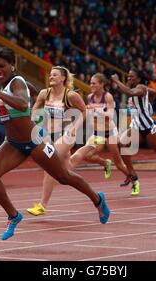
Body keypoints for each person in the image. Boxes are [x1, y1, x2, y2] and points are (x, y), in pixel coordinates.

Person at [0, 48, 109, 240]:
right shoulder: (14, 85)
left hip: (34, 141)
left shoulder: (16, 82)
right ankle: (14, 216)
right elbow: (31, 92)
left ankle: (98, 200)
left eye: (2, 66)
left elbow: (23, 104)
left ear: (12, 65)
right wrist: (37, 94)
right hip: (13, 143)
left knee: (64, 176)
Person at [26, 66, 108, 216]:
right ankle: (90, 145)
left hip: (67, 134)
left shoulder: (70, 95)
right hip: (50, 135)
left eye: (55, 75)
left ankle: (42, 205)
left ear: (63, 78)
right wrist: (33, 122)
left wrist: (75, 127)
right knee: (66, 170)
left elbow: (84, 110)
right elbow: (35, 109)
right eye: (50, 75)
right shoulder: (45, 93)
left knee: (50, 163)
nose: (51, 77)